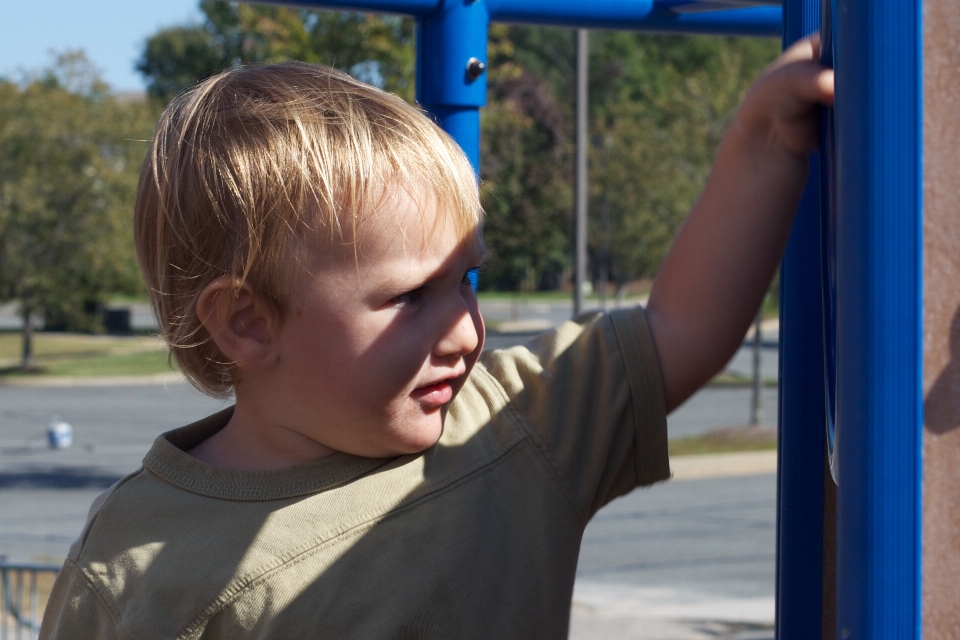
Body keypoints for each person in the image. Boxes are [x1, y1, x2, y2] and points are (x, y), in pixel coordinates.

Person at [40, 36, 833, 639]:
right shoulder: (142, 561)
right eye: (410, 297)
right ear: (249, 321)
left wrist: (764, 143)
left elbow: (679, 331)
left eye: (468, 280)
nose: (464, 330)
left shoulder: (509, 419)